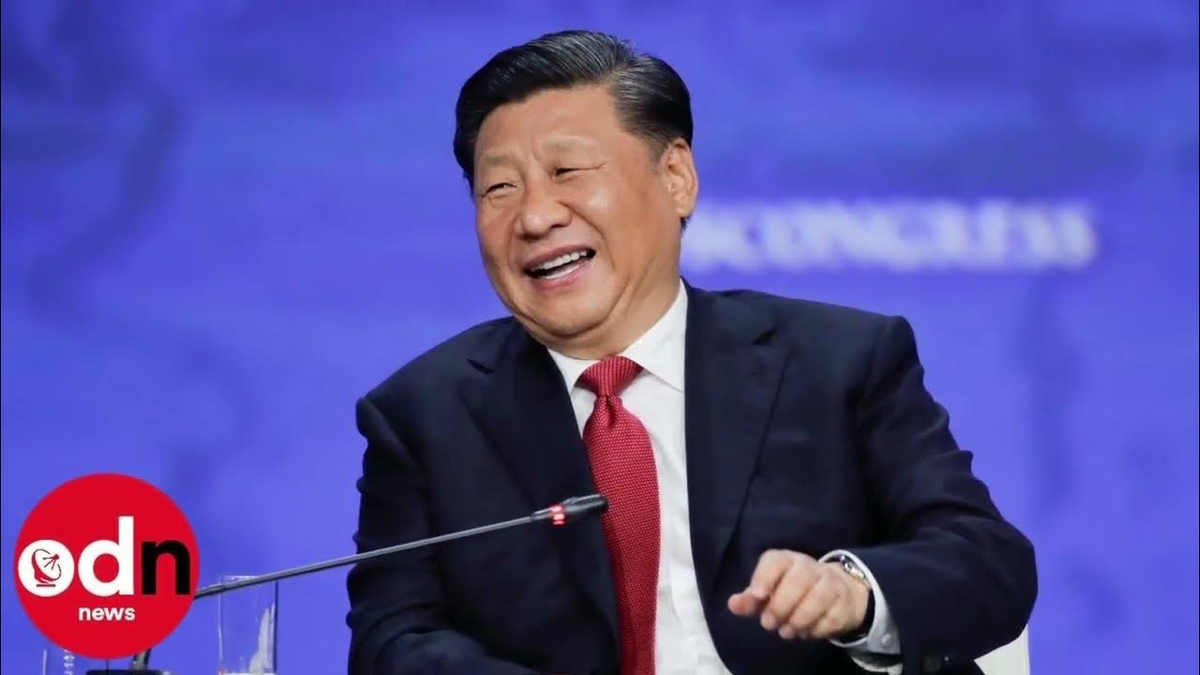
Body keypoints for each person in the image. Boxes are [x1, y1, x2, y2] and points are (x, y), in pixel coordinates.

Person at [346, 30, 1036, 675]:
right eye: (499, 187)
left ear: (676, 176)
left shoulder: (838, 361)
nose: (534, 216)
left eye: (567, 170)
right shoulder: (424, 414)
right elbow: (392, 638)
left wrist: (854, 593)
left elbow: (987, 561)